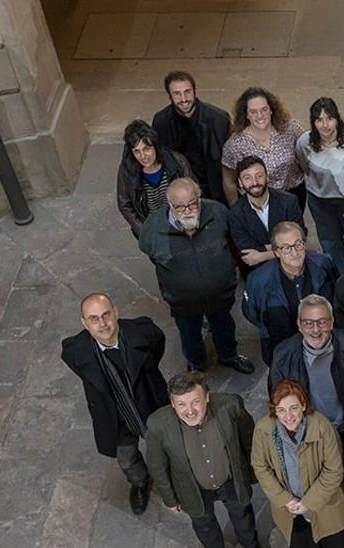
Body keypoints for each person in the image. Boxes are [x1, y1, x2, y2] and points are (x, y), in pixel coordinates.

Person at [61, 293, 168, 515]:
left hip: (149, 405)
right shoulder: (76, 351)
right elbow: (85, 373)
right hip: (115, 418)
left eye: (106, 315)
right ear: (84, 323)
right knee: (127, 459)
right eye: (93, 318)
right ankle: (139, 483)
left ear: (116, 312)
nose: (102, 324)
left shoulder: (143, 333)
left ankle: (173, 478)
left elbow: (157, 347)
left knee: (166, 446)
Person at [137, 178, 254, 374]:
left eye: (192, 203)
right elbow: (151, 254)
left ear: (200, 199)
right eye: (180, 207)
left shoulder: (218, 213)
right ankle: (196, 364)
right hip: (183, 301)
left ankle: (229, 356)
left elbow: (232, 243)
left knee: (224, 327)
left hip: (220, 294)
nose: (188, 210)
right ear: (170, 205)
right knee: (189, 334)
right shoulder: (153, 229)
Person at [144, 372, 259, 548]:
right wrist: (170, 498)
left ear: (206, 397)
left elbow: (250, 441)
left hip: (231, 481)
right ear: (172, 404)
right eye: (181, 404)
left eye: (195, 401)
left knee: (244, 520)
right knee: (205, 528)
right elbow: (157, 466)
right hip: (193, 489)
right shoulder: (157, 425)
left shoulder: (230, 406)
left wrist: (253, 475)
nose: (189, 411)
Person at [251, 380, 344, 548]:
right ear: (274, 411)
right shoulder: (263, 431)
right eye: (281, 410)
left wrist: (308, 502)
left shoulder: (323, 428)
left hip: (327, 506)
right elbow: (260, 467)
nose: (288, 416)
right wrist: (285, 499)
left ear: (304, 405)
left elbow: (334, 470)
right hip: (290, 510)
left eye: (294, 408)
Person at [268, 295, 344, 433]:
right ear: (299, 325)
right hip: (309, 431)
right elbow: (278, 399)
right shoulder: (283, 356)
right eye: (308, 323)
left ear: (332, 322)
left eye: (322, 322)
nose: (316, 330)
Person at [241, 222, 337, 365]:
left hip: (322, 342)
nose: (294, 253)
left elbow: (336, 295)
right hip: (280, 346)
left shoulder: (323, 264)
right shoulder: (258, 281)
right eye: (286, 248)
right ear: (276, 252)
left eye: (298, 244)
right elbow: (252, 313)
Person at [296, 96, 344, 273]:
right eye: (319, 120)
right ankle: (340, 278)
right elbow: (304, 166)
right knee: (330, 242)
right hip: (320, 201)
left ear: (337, 119)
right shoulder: (305, 142)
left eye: (329, 118)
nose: (325, 125)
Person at [152, 71, 230, 203]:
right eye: (177, 94)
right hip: (182, 194)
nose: (183, 99)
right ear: (169, 96)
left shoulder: (219, 119)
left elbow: (230, 161)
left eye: (187, 92)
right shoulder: (161, 122)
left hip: (215, 192)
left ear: (195, 91)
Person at [222, 87, 304, 206]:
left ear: (271, 110)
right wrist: (237, 211)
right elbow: (229, 181)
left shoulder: (291, 130)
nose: (260, 116)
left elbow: (308, 151)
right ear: (246, 114)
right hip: (259, 198)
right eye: (253, 112)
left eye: (264, 109)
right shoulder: (235, 145)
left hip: (294, 193)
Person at [226, 155, 305, 274]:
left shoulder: (289, 202)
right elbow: (247, 251)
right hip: (259, 271)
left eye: (259, 176)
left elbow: (301, 239)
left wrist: (263, 255)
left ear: (267, 177)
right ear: (240, 183)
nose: (254, 182)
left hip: (293, 265)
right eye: (247, 178)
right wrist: (284, 247)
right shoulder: (235, 213)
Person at [117, 119, 195, 238]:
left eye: (146, 149)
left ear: (155, 146)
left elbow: (193, 192)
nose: (143, 156)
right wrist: (145, 231)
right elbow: (125, 204)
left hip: (180, 222)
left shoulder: (178, 162)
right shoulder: (127, 171)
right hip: (152, 226)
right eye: (137, 151)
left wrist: (189, 224)